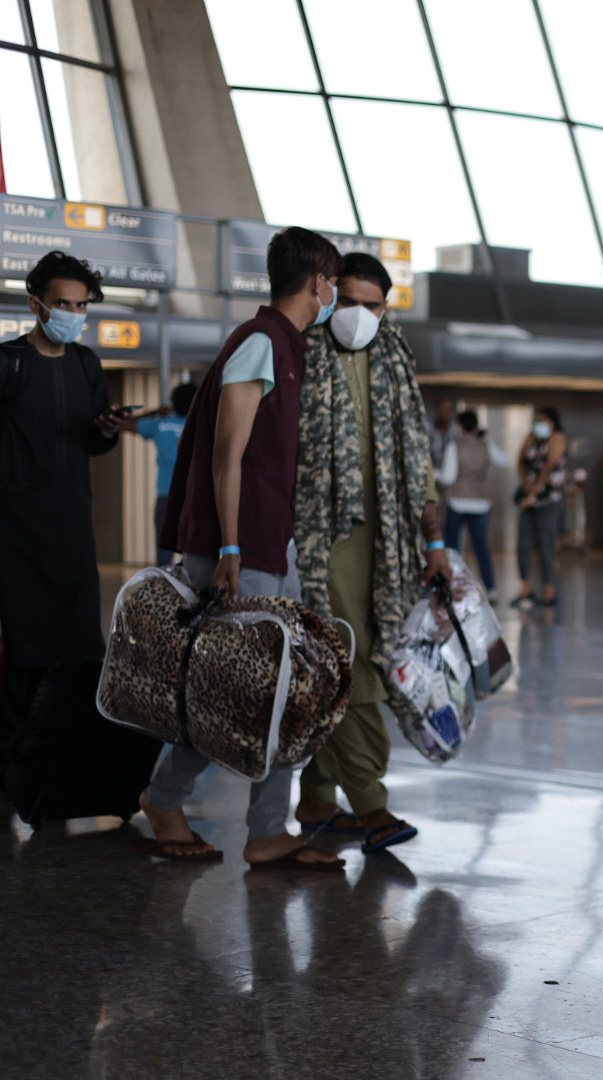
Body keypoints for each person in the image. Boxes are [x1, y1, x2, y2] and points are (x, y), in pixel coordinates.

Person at [145, 226, 345, 870]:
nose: (334, 295)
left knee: (276, 689)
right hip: (240, 549)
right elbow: (226, 454)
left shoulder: (287, 345)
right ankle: (167, 799)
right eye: (333, 283)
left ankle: (264, 829)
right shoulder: (261, 341)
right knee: (236, 687)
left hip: (268, 546)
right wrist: (229, 547)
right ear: (317, 281)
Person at [292, 251, 449, 856]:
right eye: (348, 302)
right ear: (329, 295)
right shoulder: (302, 353)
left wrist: (434, 542)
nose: (358, 315)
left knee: (359, 662)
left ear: (387, 308)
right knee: (347, 660)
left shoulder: (395, 358)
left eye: (372, 305)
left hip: (389, 544)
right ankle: (371, 802)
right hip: (321, 540)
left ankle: (316, 797)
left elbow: (418, 457)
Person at [0, 251, 125, 756]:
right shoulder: (7, 362)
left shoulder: (86, 364)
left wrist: (108, 430)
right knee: (23, 653)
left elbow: (94, 443)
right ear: (36, 304)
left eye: (81, 305)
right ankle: (14, 764)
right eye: (63, 303)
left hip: (73, 528)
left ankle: (66, 762)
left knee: (78, 647)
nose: (73, 313)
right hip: (14, 531)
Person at [440, 409, 508, 595]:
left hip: (457, 502)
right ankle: (491, 587)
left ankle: (450, 586)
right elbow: (503, 461)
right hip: (481, 503)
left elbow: (448, 476)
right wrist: (488, 440)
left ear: (460, 426)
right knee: (481, 548)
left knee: (453, 549)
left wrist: (435, 476)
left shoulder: (455, 445)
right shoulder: (485, 444)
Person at [128, 382, 197, 565]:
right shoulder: (201, 425)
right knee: (195, 550)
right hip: (195, 494)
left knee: (164, 551)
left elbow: (123, 423)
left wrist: (154, 412)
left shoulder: (160, 424)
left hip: (167, 494)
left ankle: (164, 581)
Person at [514, 406, 566, 608]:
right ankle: (526, 588)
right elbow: (520, 462)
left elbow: (550, 465)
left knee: (546, 545)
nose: (539, 425)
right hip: (528, 499)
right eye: (537, 421)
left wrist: (536, 490)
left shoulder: (557, 438)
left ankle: (548, 589)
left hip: (548, 499)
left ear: (553, 422)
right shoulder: (531, 438)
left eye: (543, 421)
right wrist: (528, 486)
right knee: (523, 544)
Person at [428, 399, 454, 471]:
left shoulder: (455, 433)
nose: (443, 414)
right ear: (434, 411)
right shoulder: (426, 432)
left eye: (447, 411)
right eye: (441, 410)